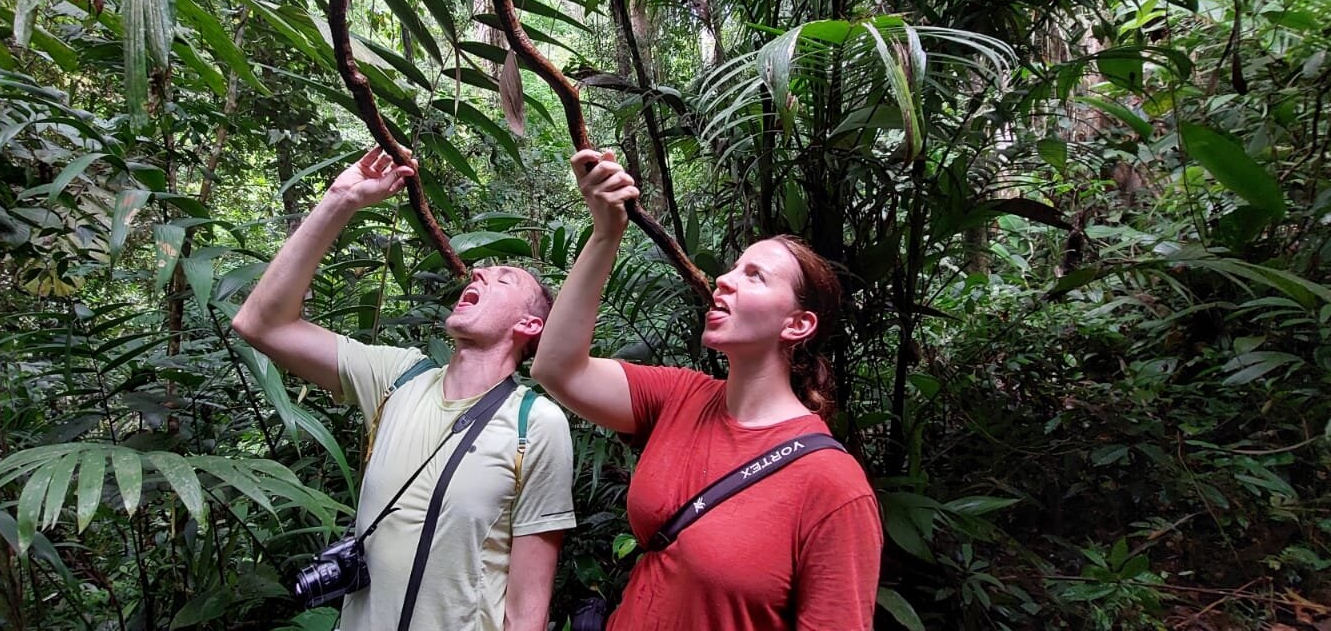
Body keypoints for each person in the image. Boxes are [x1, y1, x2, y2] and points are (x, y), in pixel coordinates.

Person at [532, 149, 883, 630]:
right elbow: (557, 369)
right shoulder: (680, 397)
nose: (724, 281)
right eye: (733, 269)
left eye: (754, 276)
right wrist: (606, 232)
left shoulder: (833, 487)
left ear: (798, 324)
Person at [232, 148, 576, 631]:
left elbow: (527, 608)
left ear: (529, 323)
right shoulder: (398, 378)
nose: (477, 273)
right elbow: (260, 324)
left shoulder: (535, 424)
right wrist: (340, 199)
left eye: (504, 277)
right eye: (481, 271)